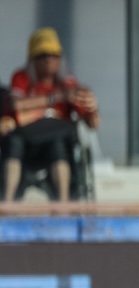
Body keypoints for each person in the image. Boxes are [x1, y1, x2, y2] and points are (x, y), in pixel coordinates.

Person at [3, 27, 100, 202]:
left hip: (54, 144)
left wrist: (92, 107)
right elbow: (17, 104)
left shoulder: (68, 83)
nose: (48, 60)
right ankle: (7, 203)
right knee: (13, 143)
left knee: (59, 146)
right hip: (26, 145)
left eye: (54, 55)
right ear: (32, 59)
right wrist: (57, 97)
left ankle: (63, 205)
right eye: (42, 55)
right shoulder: (22, 78)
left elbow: (93, 124)